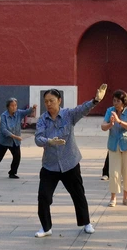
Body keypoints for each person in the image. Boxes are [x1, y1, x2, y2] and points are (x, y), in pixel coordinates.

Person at [34, 84, 106, 238]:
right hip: (50, 165)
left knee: (78, 194)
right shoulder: (42, 119)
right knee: (43, 196)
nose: (48, 104)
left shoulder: (68, 115)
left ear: (59, 100)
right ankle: (46, 227)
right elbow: (38, 139)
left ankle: (86, 223)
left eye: (51, 101)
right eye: (46, 101)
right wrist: (49, 141)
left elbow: (82, 109)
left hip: (70, 163)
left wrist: (95, 100)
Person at [0, 98, 37, 178]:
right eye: (12, 106)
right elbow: (3, 130)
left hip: (15, 141)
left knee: (17, 157)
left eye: (15, 105)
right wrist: (15, 136)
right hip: (4, 141)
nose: (14, 107)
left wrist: (33, 108)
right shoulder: (4, 116)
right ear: (8, 107)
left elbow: (27, 112)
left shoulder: (19, 113)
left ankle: (12, 173)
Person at [101, 90, 127, 207]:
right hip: (114, 144)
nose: (115, 103)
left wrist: (119, 121)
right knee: (114, 172)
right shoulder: (109, 111)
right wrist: (110, 124)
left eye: (118, 101)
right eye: (114, 100)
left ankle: (126, 198)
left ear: (123, 102)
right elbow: (103, 126)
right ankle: (113, 198)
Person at [101, 96, 127, 181]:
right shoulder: (112, 111)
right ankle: (106, 173)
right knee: (111, 155)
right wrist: (111, 123)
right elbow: (104, 125)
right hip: (115, 139)